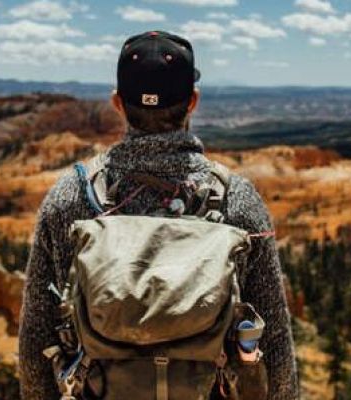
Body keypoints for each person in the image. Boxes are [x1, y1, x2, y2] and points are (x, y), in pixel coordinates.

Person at [18, 31, 300, 399]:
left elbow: (36, 342)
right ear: (193, 102)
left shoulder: (70, 199)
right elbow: (273, 346)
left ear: (118, 103)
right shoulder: (237, 201)